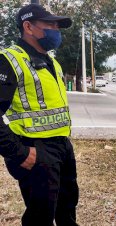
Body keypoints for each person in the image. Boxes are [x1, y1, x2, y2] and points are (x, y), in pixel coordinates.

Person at [0, 4, 78, 226]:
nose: (56, 30)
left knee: (67, 209)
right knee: (40, 218)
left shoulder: (52, 61)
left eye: (57, 25)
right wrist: (19, 153)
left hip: (62, 146)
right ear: (28, 27)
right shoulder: (10, 60)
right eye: (50, 24)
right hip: (35, 150)